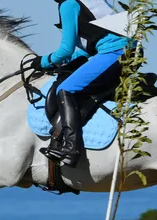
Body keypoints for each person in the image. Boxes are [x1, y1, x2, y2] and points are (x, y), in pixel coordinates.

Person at [31, 0, 133, 167]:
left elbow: (65, 49)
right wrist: (65, 60)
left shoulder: (68, 4)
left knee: (65, 90)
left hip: (115, 52)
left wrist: (44, 61)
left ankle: (71, 149)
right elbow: (90, 44)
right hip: (125, 49)